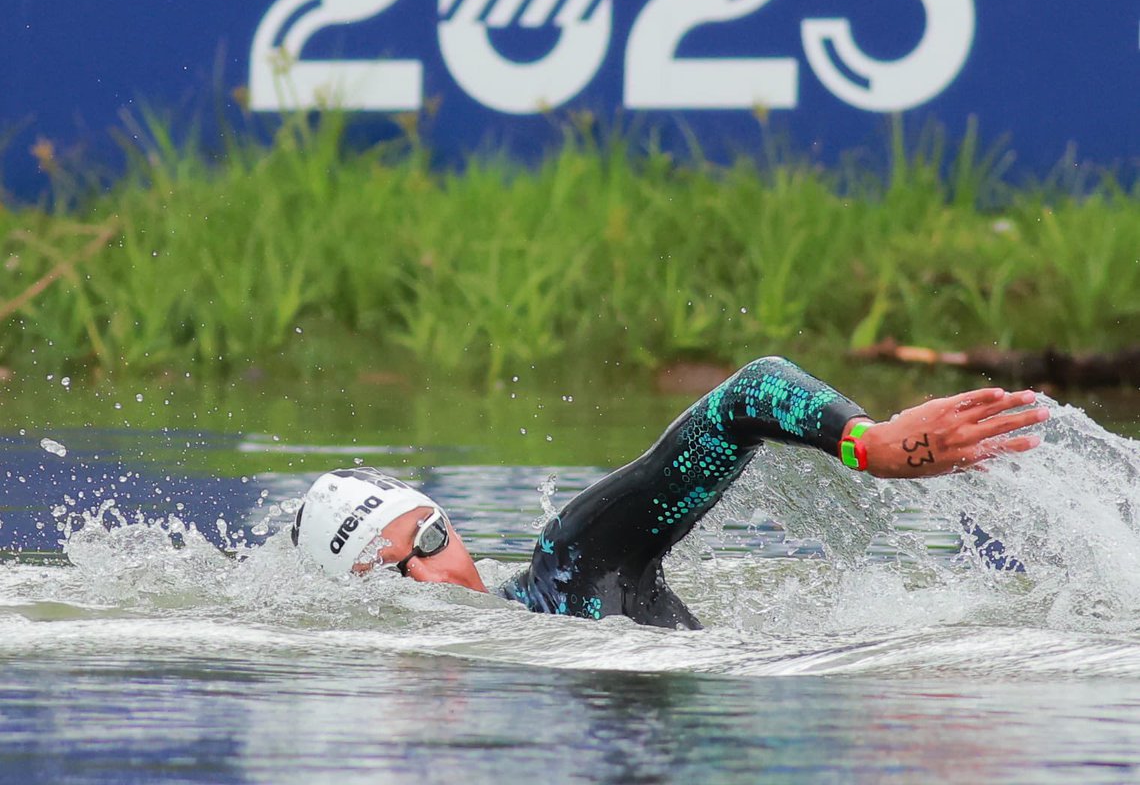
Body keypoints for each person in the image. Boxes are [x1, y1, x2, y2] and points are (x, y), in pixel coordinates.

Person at [291, 356, 1048, 629]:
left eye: (427, 541)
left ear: (451, 527)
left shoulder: (570, 569)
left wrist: (871, 444)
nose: (425, 576)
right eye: (386, 575)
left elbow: (749, 394)